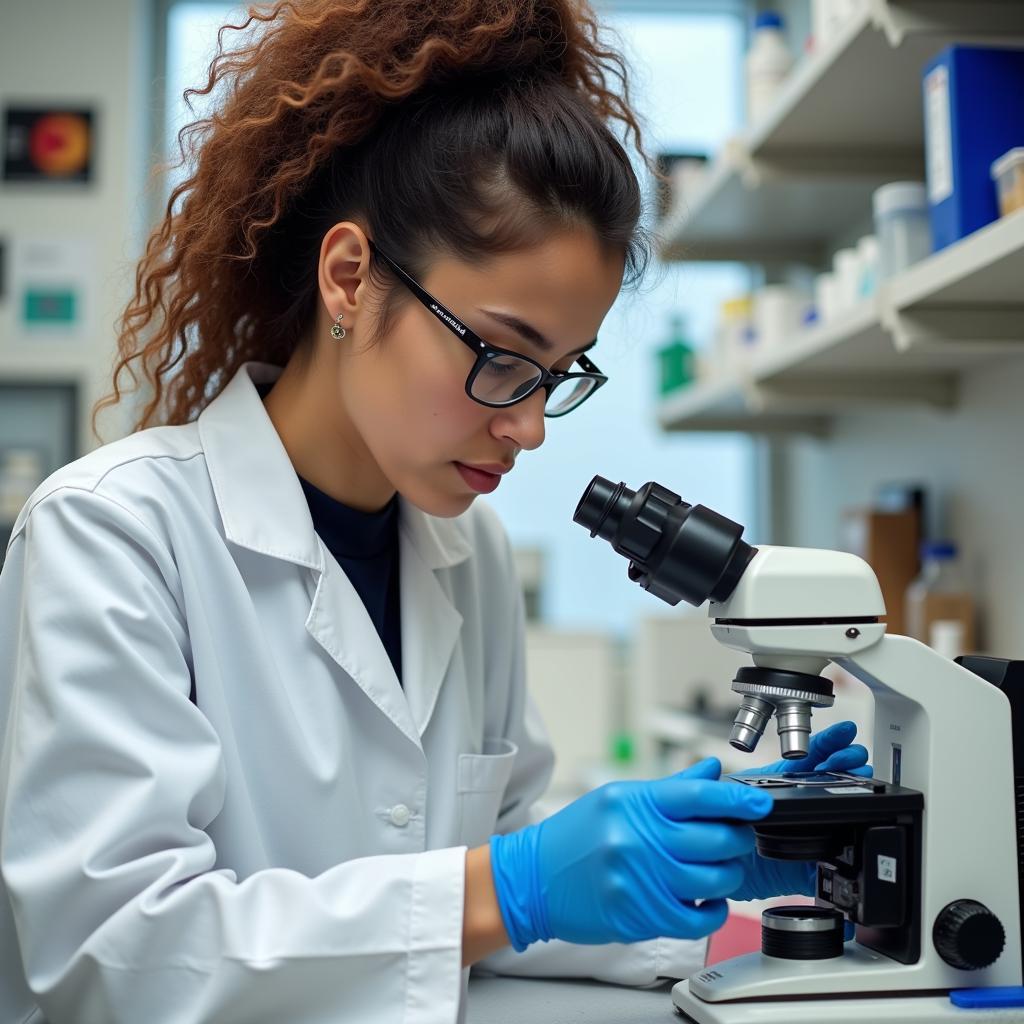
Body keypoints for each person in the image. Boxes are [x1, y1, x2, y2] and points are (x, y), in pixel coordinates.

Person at [0, 2, 870, 1021]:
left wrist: (702, 856)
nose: (530, 426)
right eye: (501, 356)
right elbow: (113, 953)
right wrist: (511, 883)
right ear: (348, 277)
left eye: (555, 373)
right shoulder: (114, 534)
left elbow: (484, 912)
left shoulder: (467, 550)